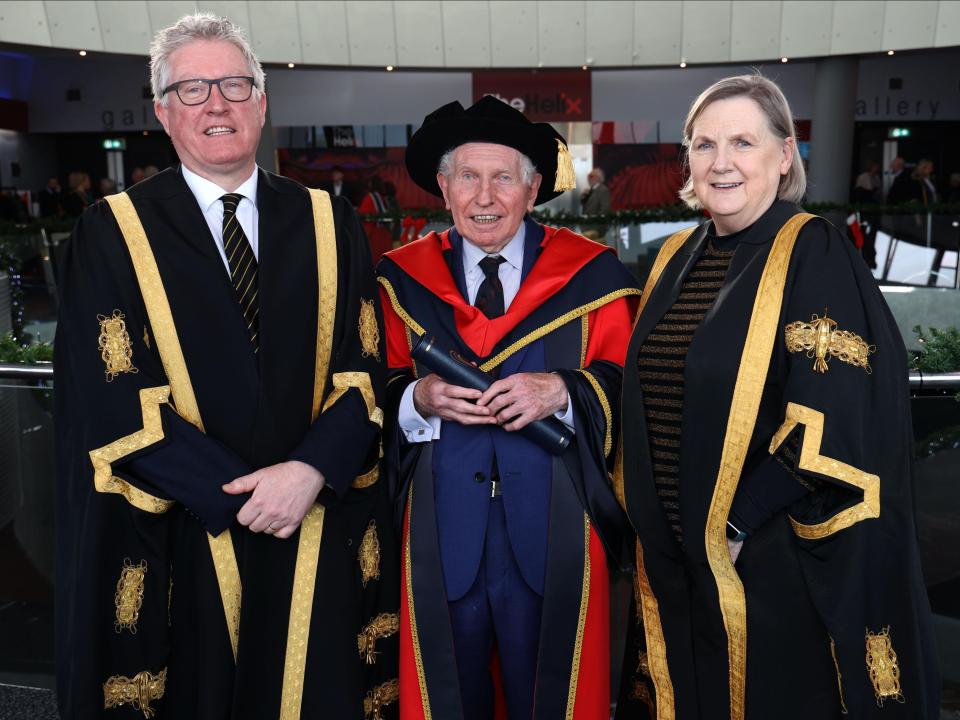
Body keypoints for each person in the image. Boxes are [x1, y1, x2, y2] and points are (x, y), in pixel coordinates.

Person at [54, 12, 398, 720]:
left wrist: (305, 474)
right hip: (186, 528)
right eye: (193, 89)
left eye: (236, 85)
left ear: (263, 100)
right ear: (162, 111)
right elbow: (112, 395)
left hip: (313, 518)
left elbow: (364, 368)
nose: (218, 104)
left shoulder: (329, 221)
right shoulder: (112, 231)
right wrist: (241, 495)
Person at [615, 74, 939, 720]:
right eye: (704, 145)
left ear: (785, 155)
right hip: (680, 567)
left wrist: (733, 524)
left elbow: (833, 412)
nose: (721, 162)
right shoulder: (676, 257)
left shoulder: (811, 250)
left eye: (743, 141)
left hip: (766, 561)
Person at [377, 95, 641, 719]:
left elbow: (626, 386)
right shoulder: (400, 279)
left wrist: (565, 391)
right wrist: (418, 397)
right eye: (469, 176)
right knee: (448, 691)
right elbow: (372, 387)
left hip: (555, 523)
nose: (485, 195)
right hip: (441, 530)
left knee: (550, 690)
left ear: (531, 189)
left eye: (504, 177)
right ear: (444, 188)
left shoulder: (591, 277)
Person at [358, 175, 393, 265]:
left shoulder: (370, 197)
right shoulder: (383, 197)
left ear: (371, 184)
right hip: (384, 233)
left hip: (374, 234)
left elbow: (363, 214)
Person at [580, 167, 611, 241]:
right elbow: (586, 207)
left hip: (595, 228)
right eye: (588, 176)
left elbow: (605, 209)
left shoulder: (603, 190)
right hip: (587, 227)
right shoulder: (590, 190)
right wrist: (583, 197)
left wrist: (597, 225)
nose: (588, 178)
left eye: (591, 176)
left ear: (598, 178)